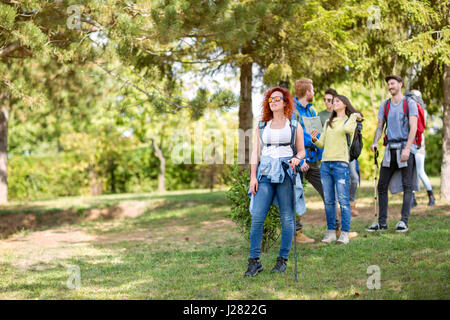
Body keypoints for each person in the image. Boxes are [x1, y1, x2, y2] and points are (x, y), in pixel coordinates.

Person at [245, 87, 306, 276]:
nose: (273, 102)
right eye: (270, 99)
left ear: (285, 102)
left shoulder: (294, 125)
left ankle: (282, 260)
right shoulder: (262, 125)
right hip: (265, 172)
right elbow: (256, 152)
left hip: (286, 171)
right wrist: (253, 177)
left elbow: (302, 151)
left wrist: (297, 159)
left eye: (278, 99)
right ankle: (254, 261)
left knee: (287, 218)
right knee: (257, 215)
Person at [367, 75, 419, 233]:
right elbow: (380, 126)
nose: (390, 86)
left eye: (393, 83)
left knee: (407, 185)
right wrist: (375, 142)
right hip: (390, 149)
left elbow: (414, 128)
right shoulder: (385, 105)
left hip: (405, 147)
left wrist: (407, 149)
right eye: (388, 84)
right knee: (382, 185)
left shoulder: (409, 104)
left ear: (400, 84)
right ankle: (382, 223)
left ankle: (404, 221)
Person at [310, 95, 363, 244]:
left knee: (344, 201)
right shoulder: (328, 122)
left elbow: (347, 129)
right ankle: (331, 232)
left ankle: (344, 233)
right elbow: (322, 144)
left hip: (341, 164)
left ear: (345, 104)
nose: (334, 103)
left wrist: (353, 116)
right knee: (328, 201)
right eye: (333, 102)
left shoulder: (350, 121)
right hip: (326, 164)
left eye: (337, 101)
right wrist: (314, 139)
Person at [292, 78, 324, 243]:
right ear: (306, 92)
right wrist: (299, 158)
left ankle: (337, 227)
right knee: (295, 195)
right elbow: (290, 137)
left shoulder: (311, 111)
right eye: (312, 90)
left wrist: (321, 157)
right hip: (300, 161)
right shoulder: (293, 111)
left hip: (314, 161)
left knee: (327, 191)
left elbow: (318, 135)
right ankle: (297, 234)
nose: (313, 93)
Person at [407, 90, 435, 207]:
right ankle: (414, 198)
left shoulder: (419, 110)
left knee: (418, 172)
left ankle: (430, 196)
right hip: (413, 144)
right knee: (414, 172)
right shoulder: (421, 110)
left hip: (417, 145)